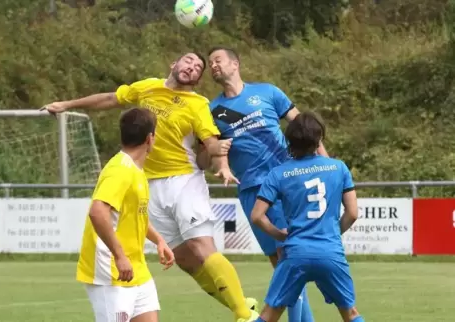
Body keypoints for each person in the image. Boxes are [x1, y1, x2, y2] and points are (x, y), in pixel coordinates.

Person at [42, 52, 259, 322]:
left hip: (184, 180)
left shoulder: (197, 103)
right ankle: (239, 304)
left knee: (201, 247)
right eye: (188, 61)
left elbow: (210, 140)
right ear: (174, 64)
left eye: (198, 68)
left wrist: (220, 157)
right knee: (186, 261)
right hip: (149, 185)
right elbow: (110, 98)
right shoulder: (146, 87)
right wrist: (65, 104)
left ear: (197, 80)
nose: (192, 67)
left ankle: (245, 316)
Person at [206, 46, 329, 322]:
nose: (213, 65)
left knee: (290, 261)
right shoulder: (212, 110)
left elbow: (306, 128)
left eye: (218, 60)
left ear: (235, 63)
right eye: (210, 63)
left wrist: (327, 166)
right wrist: (220, 162)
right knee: (282, 266)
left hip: (285, 181)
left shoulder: (267, 92)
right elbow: (213, 156)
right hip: (251, 190)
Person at [246, 112, 364, 322]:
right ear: (319, 138)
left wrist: (280, 235)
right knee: (350, 313)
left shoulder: (279, 173)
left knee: (269, 315)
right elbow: (353, 213)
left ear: (289, 140)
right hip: (330, 252)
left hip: (295, 253)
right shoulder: (338, 168)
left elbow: (257, 216)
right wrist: (333, 233)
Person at [76, 107, 175, 322]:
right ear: (150, 138)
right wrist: (120, 256)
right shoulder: (119, 170)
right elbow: (97, 212)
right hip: (110, 271)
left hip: (137, 268)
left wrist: (158, 240)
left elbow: (134, 216)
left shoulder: (136, 170)